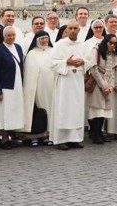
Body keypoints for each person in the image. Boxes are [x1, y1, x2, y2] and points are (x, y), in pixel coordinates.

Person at [49, 21, 91, 150]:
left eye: (75, 28)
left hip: (77, 81)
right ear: (66, 30)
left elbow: (89, 61)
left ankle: (75, 138)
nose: (73, 31)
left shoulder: (82, 45)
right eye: (70, 28)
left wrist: (82, 62)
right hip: (65, 81)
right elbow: (52, 63)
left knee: (76, 110)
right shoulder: (59, 45)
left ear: (79, 30)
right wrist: (66, 62)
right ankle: (61, 139)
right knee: (64, 109)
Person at [0, 26, 25, 149]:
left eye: (13, 35)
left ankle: (12, 136)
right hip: (5, 86)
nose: (11, 38)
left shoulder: (18, 48)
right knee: (5, 113)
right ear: (3, 36)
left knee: (14, 111)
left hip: (17, 85)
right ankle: (4, 139)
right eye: (8, 35)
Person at [20, 31, 53, 146]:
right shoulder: (32, 54)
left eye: (46, 38)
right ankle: (36, 135)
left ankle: (49, 134)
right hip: (37, 87)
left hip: (52, 87)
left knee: (50, 110)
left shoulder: (53, 51)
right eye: (42, 39)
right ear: (37, 41)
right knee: (38, 110)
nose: (44, 41)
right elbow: (29, 73)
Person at [87, 34, 117, 145]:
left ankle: (100, 134)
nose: (112, 45)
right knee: (97, 111)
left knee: (104, 112)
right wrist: (103, 86)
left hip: (107, 84)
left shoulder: (113, 54)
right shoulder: (96, 50)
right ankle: (95, 134)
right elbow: (94, 69)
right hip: (98, 84)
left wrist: (110, 86)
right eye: (110, 43)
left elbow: (113, 71)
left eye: (114, 43)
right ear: (105, 41)